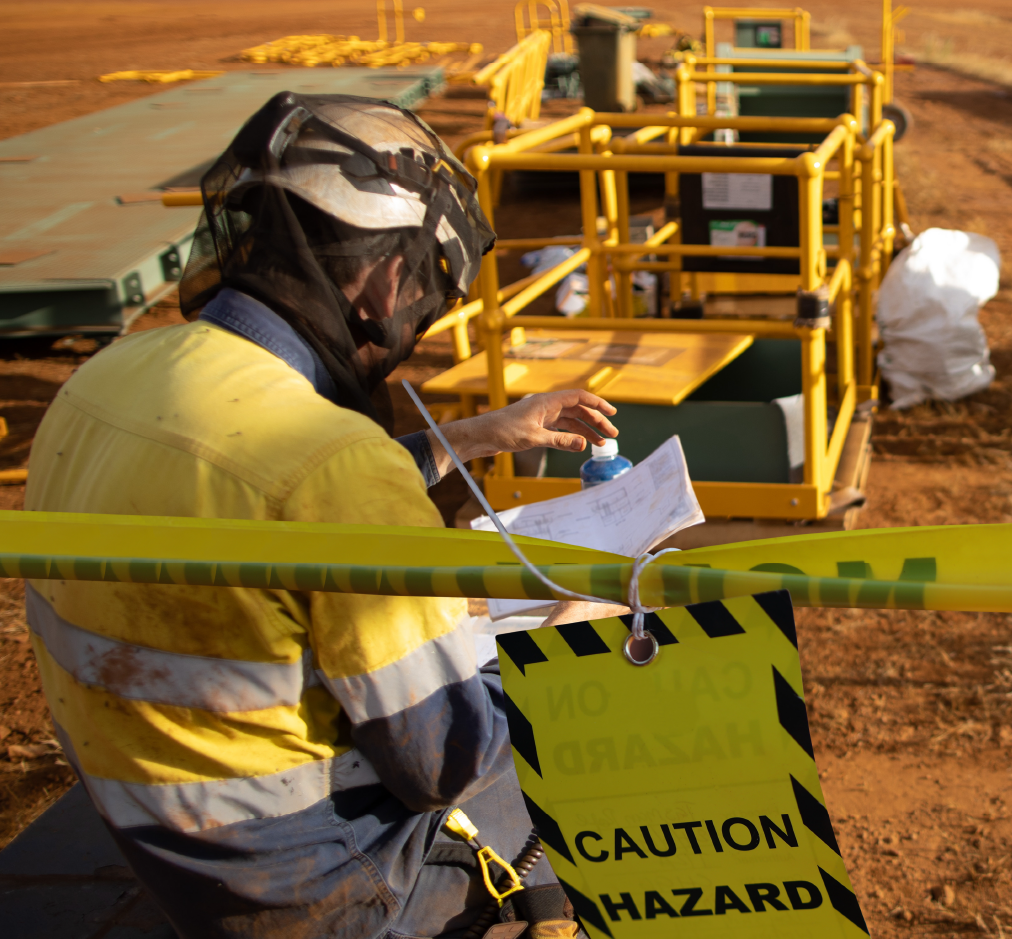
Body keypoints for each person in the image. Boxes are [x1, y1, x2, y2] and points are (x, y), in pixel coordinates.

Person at [23, 93, 617, 939]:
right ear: (385, 276)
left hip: (150, 817)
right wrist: (573, 624)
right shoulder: (335, 466)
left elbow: (267, 503)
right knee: (597, 780)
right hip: (311, 879)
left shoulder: (113, 378)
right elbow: (445, 761)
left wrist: (478, 435)